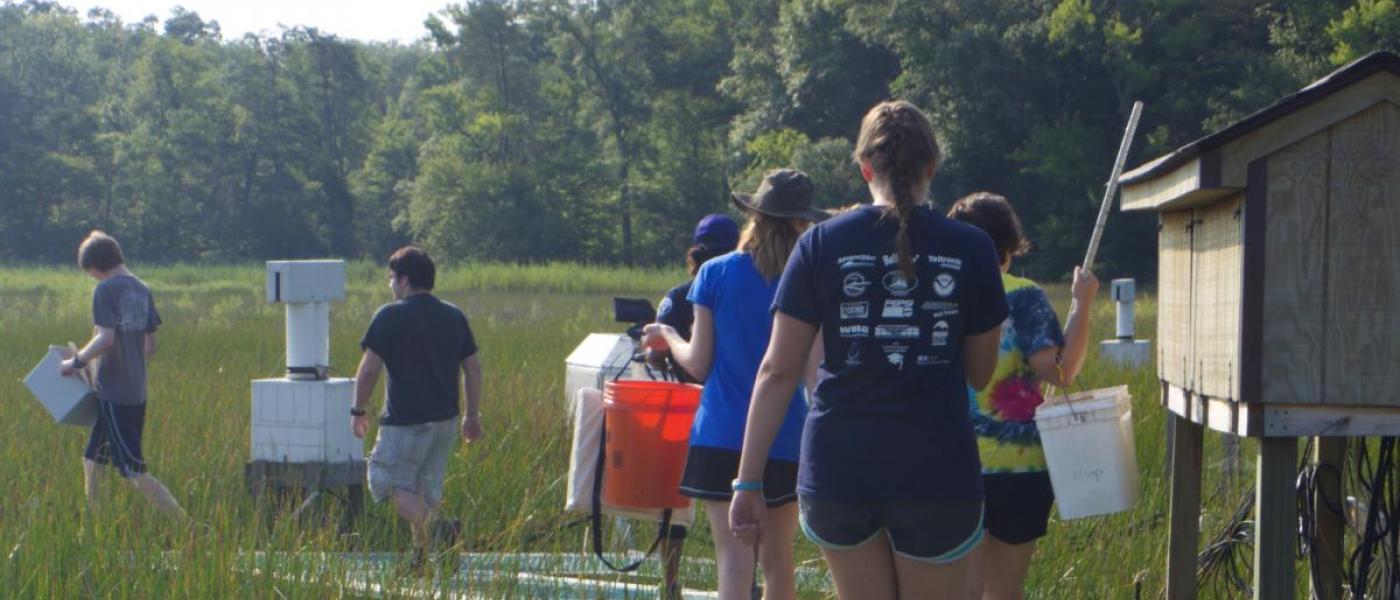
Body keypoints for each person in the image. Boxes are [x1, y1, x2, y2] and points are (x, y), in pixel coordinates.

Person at [729, 101, 1009, 600]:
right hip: (936, 472)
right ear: (932, 167)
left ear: (864, 168)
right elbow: (979, 373)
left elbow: (777, 371)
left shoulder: (818, 244)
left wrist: (747, 482)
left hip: (840, 472)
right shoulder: (973, 249)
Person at [643, 169, 828, 600]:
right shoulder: (810, 280)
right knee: (779, 562)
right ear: (802, 223)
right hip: (785, 436)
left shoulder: (714, 273)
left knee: (734, 559)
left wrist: (667, 337)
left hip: (721, 434)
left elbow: (700, 364)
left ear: (754, 217)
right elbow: (813, 375)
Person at [946, 192, 1098, 600]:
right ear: (1008, 245)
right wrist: (1082, 305)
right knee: (1005, 591)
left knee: (962, 590)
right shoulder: (1024, 295)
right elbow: (1061, 371)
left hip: (950, 466)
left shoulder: (939, 297)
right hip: (1021, 469)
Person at [352, 246, 484, 565]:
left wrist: (357, 410)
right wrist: (472, 415)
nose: (390, 285)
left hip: (406, 422)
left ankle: (439, 531)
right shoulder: (453, 315)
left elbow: (369, 368)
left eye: (391, 278)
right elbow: (473, 368)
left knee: (386, 481)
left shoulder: (389, 315)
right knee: (424, 493)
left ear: (404, 280)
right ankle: (422, 559)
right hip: (445, 423)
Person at [643, 212, 740, 599]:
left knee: (675, 501)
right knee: (736, 504)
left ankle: (670, 583)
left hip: (683, 407)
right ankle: (744, 582)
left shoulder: (679, 295)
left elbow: (654, 356)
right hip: (733, 407)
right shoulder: (744, 290)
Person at [60, 231, 187, 520]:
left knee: (133, 470)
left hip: (116, 394)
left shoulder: (105, 290)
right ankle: (95, 524)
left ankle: (189, 525)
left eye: (90, 272)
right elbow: (150, 346)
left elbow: (105, 338)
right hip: (134, 391)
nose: (91, 277)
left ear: (95, 265)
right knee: (93, 458)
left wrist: (76, 362)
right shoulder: (142, 289)